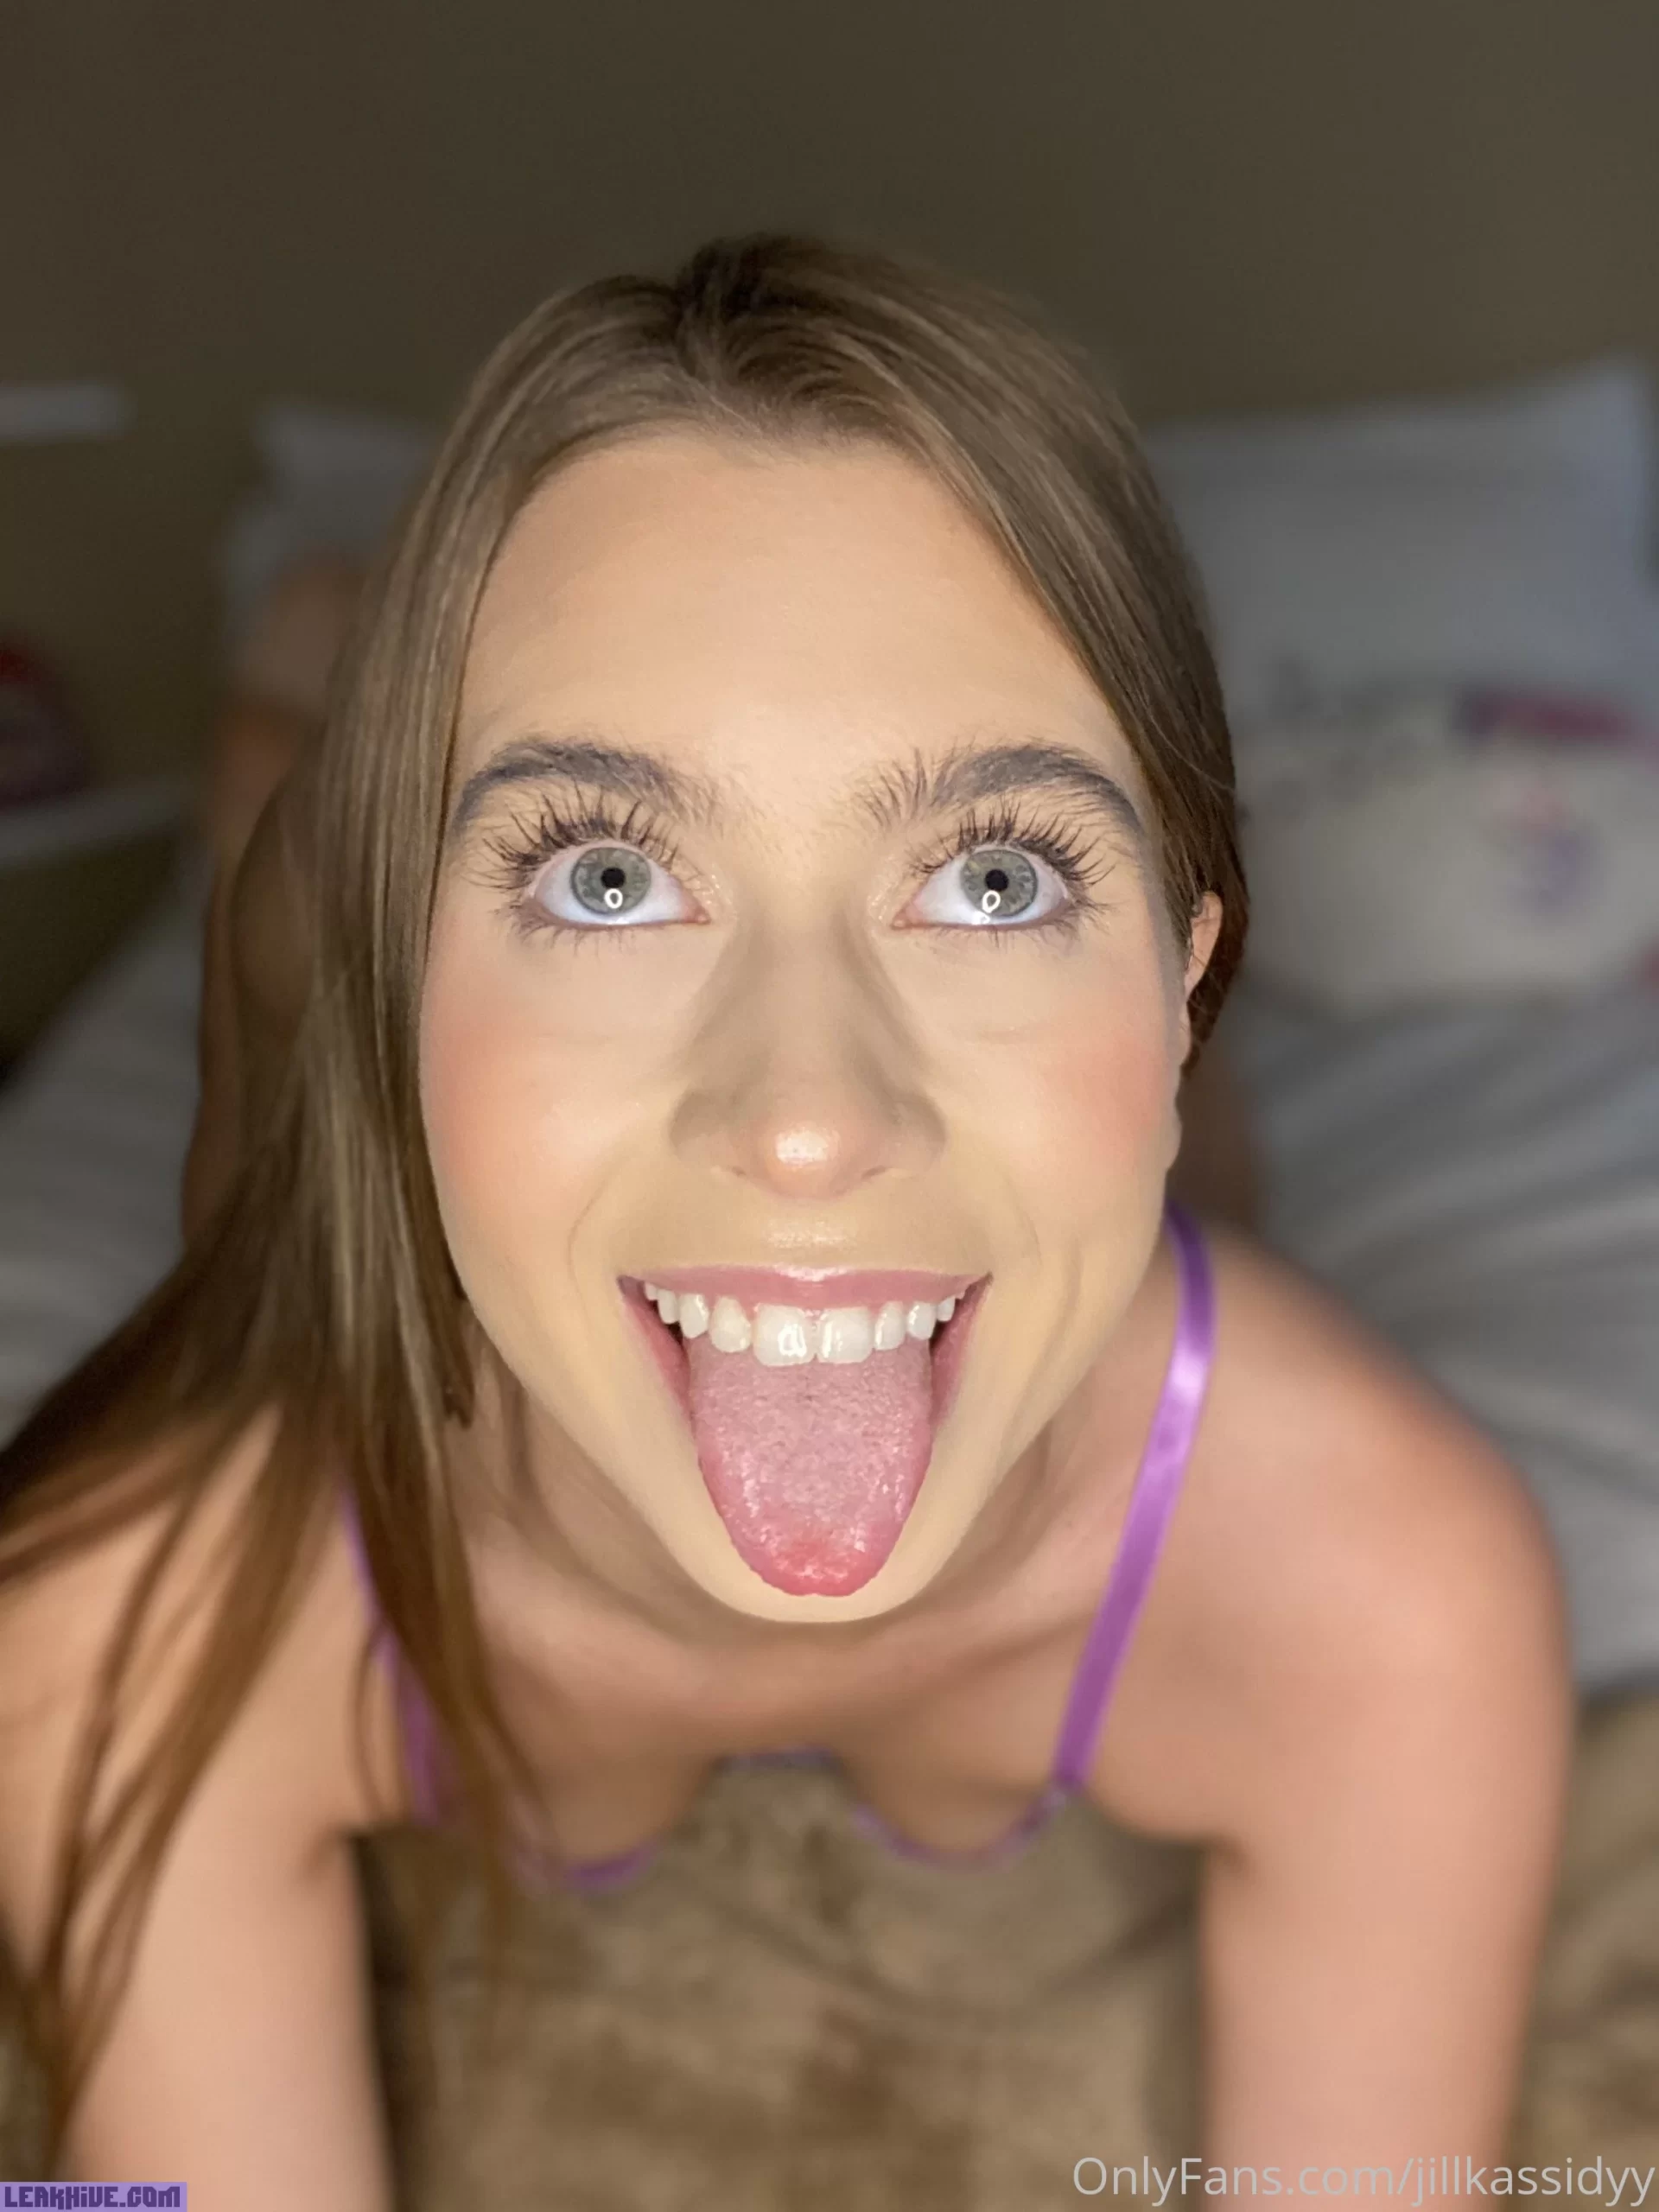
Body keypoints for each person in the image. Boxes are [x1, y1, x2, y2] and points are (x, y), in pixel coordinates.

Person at [0, 236, 1567, 2199]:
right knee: (275, 1034)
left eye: (996, 877)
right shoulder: (108, 1630)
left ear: (1185, 962)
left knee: (1199, 1175)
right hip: (331, 947)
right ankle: (291, 714)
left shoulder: (1392, 1592)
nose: (812, 1126)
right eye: (603, 877)